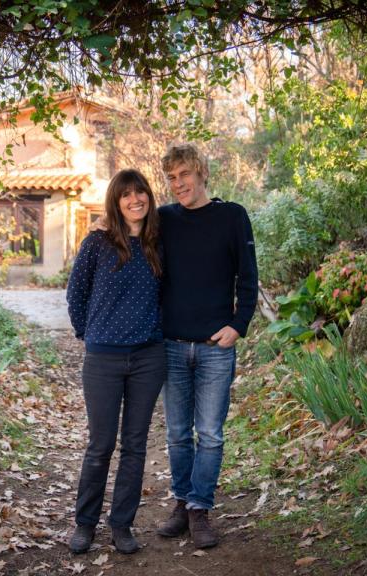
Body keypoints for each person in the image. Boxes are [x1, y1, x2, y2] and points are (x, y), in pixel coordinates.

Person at [153, 143, 258, 549]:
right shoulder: (163, 219)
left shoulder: (232, 216)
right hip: (172, 345)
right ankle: (181, 503)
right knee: (178, 434)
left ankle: (200, 509)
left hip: (216, 347)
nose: (179, 183)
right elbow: (133, 244)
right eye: (172, 178)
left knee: (210, 434)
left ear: (201, 173)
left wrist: (239, 324)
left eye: (185, 175)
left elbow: (248, 278)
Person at [65, 169, 166, 555]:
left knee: (135, 445)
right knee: (101, 444)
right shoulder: (98, 243)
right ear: (116, 201)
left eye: (140, 192)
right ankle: (84, 524)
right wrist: (88, 334)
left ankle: (122, 525)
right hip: (103, 358)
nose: (134, 199)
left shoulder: (159, 243)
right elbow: (76, 294)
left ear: (148, 198)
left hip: (148, 357)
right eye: (126, 195)